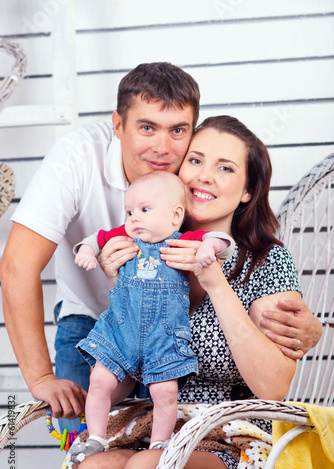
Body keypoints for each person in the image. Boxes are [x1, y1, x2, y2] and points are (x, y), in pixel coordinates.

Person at [0, 62, 322, 434]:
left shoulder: (192, 175)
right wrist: (40, 375)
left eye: (178, 131)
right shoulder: (77, 158)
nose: (163, 147)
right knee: (83, 445)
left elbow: (261, 298)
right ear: (117, 126)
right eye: (147, 128)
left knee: (144, 450)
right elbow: (17, 266)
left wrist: (308, 329)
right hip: (95, 319)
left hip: (165, 327)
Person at [69, 115, 307, 469]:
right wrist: (122, 286)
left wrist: (213, 280)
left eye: (225, 167)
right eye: (195, 160)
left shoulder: (268, 261)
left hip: (231, 434)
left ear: (248, 190)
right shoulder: (140, 250)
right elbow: (126, 377)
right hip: (154, 425)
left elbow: (272, 386)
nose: (204, 176)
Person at [69, 171, 234, 462]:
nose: (134, 218)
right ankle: (95, 437)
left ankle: (159, 444)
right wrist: (86, 250)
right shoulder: (124, 236)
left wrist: (209, 247)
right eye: (129, 211)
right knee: (99, 381)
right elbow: (96, 238)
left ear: (175, 215)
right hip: (120, 332)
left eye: (144, 210)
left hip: (164, 337)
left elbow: (221, 240)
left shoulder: (184, 242)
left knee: (165, 392)